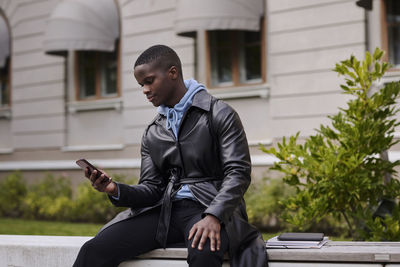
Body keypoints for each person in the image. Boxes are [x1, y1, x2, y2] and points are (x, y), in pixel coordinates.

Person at [73, 45, 267, 267]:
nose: (145, 90)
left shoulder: (219, 114)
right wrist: (114, 189)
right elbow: (152, 187)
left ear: (172, 73)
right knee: (95, 249)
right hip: (165, 211)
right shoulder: (153, 130)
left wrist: (214, 216)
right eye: (141, 85)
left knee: (203, 247)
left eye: (149, 81)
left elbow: (238, 173)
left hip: (209, 207)